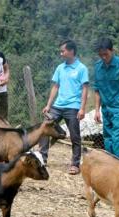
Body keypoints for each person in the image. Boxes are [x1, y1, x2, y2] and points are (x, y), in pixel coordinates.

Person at [39, 40, 89, 175]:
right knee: (44, 128)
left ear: (71, 51)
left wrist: (82, 108)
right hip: (57, 106)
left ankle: (75, 164)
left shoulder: (82, 68)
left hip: (73, 107)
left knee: (75, 136)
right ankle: (42, 159)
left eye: (63, 51)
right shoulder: (60, 68)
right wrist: (49, 105)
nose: (61, 54)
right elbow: (55, 86)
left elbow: (85, 89)